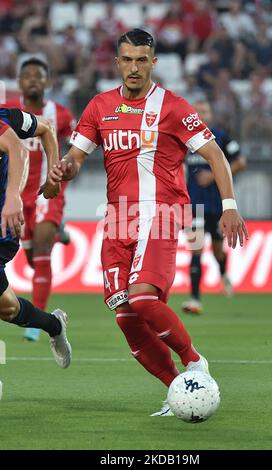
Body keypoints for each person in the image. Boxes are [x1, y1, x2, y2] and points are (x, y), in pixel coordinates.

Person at [49, 29, 248, 416]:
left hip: (161, 213)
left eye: (142, 59)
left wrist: (229, 205)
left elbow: (215, 155)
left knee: (142, 298)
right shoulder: (100, 106)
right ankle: (178, 390)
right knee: (126, 316)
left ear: (153, 62)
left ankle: (194, 363)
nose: (134, 67)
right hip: (118, 220)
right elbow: (76, 158)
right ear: (117, 62)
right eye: (127, 59)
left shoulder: (173, 107)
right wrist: (63, 169)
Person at [5, 57, 75, 341]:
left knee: (42, 248)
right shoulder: (11, 113)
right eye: (28, 75)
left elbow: (76, 146)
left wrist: (62, 169)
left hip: (48, 192)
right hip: (17, 196)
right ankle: (60, 234)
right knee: (33, 258)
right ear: (19, 82)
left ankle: (39, 323)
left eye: (39, 75)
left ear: (47, 81)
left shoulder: (60, 113)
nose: (33, 79)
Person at [0, 107, 71, 369]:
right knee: (8, 309)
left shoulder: (6, 119)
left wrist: (13, 196)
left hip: (4, 220)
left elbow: (36, 136)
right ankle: (54, 324)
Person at [182, 99, 247, 315]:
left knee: (218, 250)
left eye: (205, 111)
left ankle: (223, 272)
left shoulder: (220, 136)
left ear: (210, 114)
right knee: (196, 248)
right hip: (193, 206)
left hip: (218, 206)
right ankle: (194, 299)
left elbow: (240, 162)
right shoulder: (184, 138)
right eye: (197, 111)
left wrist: (211, 176)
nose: (201, 114)